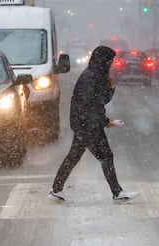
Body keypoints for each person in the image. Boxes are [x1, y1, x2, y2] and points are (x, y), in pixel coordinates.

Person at [49, 45, 136, 202]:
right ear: (103, 61)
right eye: (110, 61)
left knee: (74, 156)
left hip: (82, 122)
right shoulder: (94, 77)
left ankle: (56, 189)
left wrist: (110, 88)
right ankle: (117, 192)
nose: (111, 64)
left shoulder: (93, 74)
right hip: (88, 124)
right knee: (106, 156)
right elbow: (95, 104)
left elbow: (98, 101)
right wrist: (106, 121)